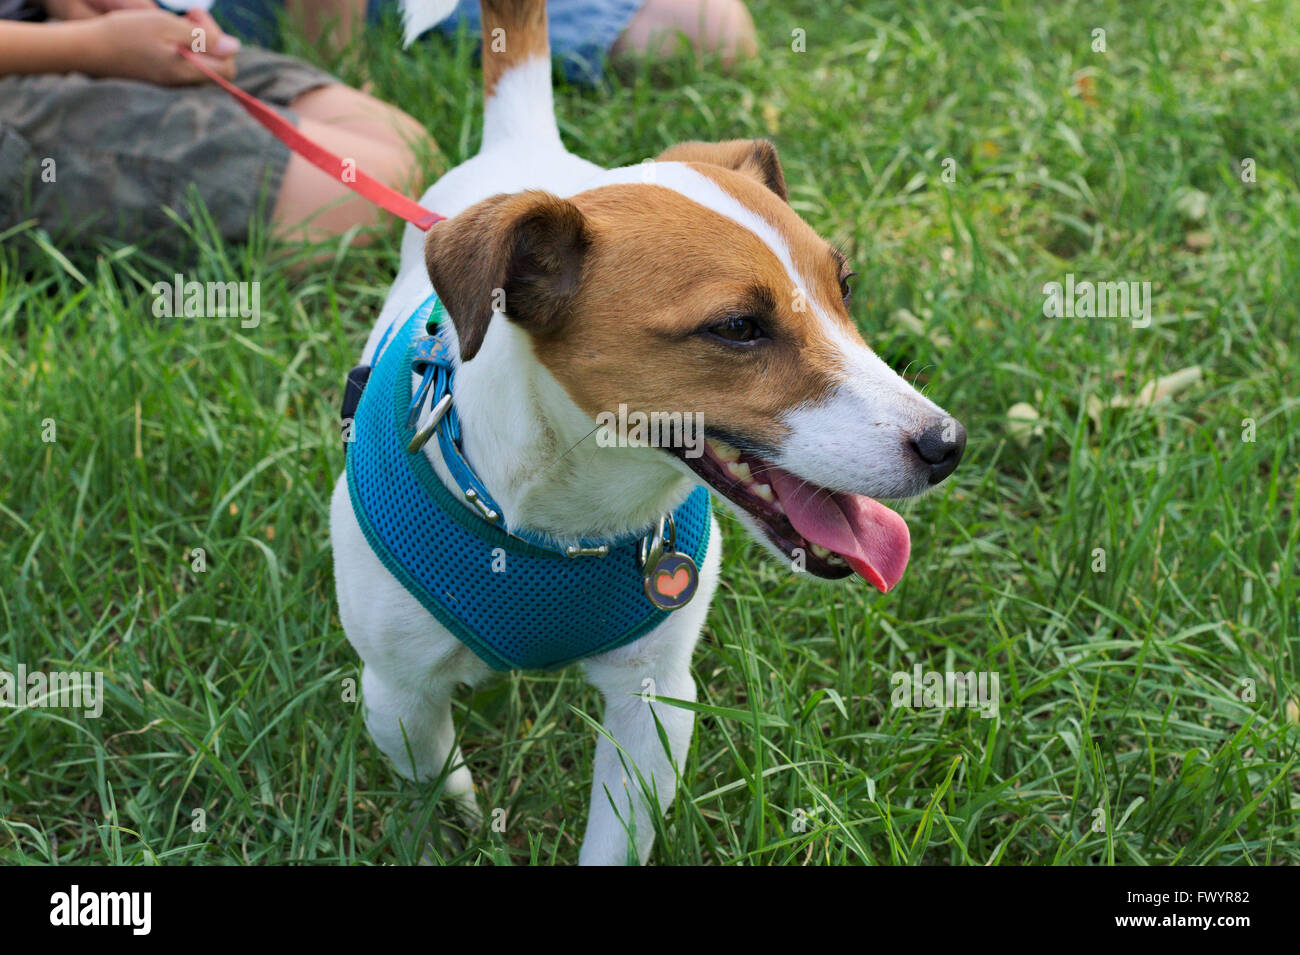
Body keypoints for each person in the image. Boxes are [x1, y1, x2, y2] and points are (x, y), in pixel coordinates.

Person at [0, 0, 436, 258]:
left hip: (57, 26)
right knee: (377, 194)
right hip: (26, 68)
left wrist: (108, 11)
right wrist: (93, 47)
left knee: (415, 152)